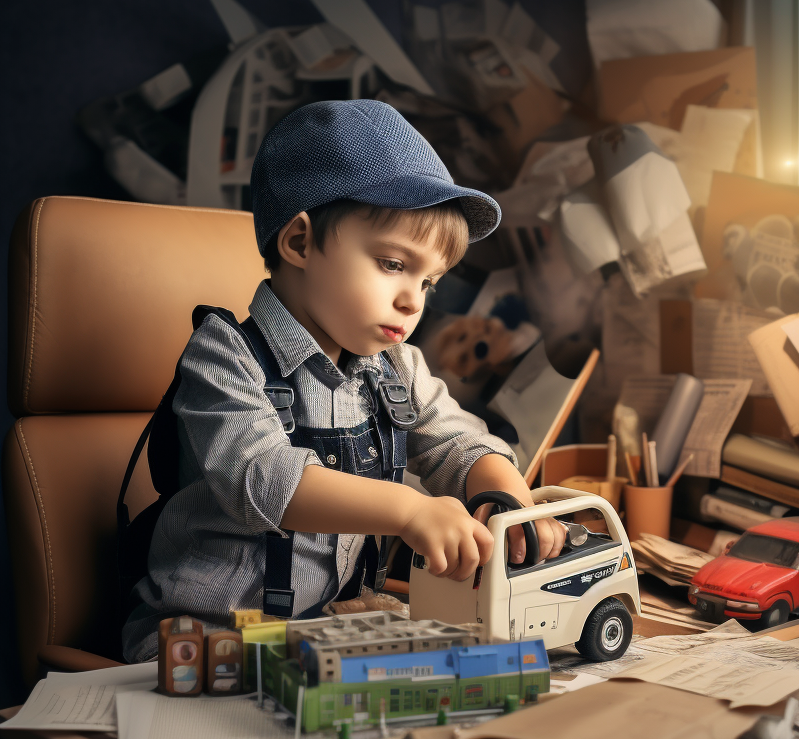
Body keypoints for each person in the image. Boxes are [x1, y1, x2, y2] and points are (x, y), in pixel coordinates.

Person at [121, 100, 565, 662]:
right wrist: (408, 509)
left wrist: (506, 500)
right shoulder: (224, 355)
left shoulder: (395, 366)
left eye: (429, 282)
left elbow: (458, 441)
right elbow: (264, 478)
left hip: (324, 629)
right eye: (393, 264)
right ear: (300, 243)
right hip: (206, 643)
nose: (412, 301)